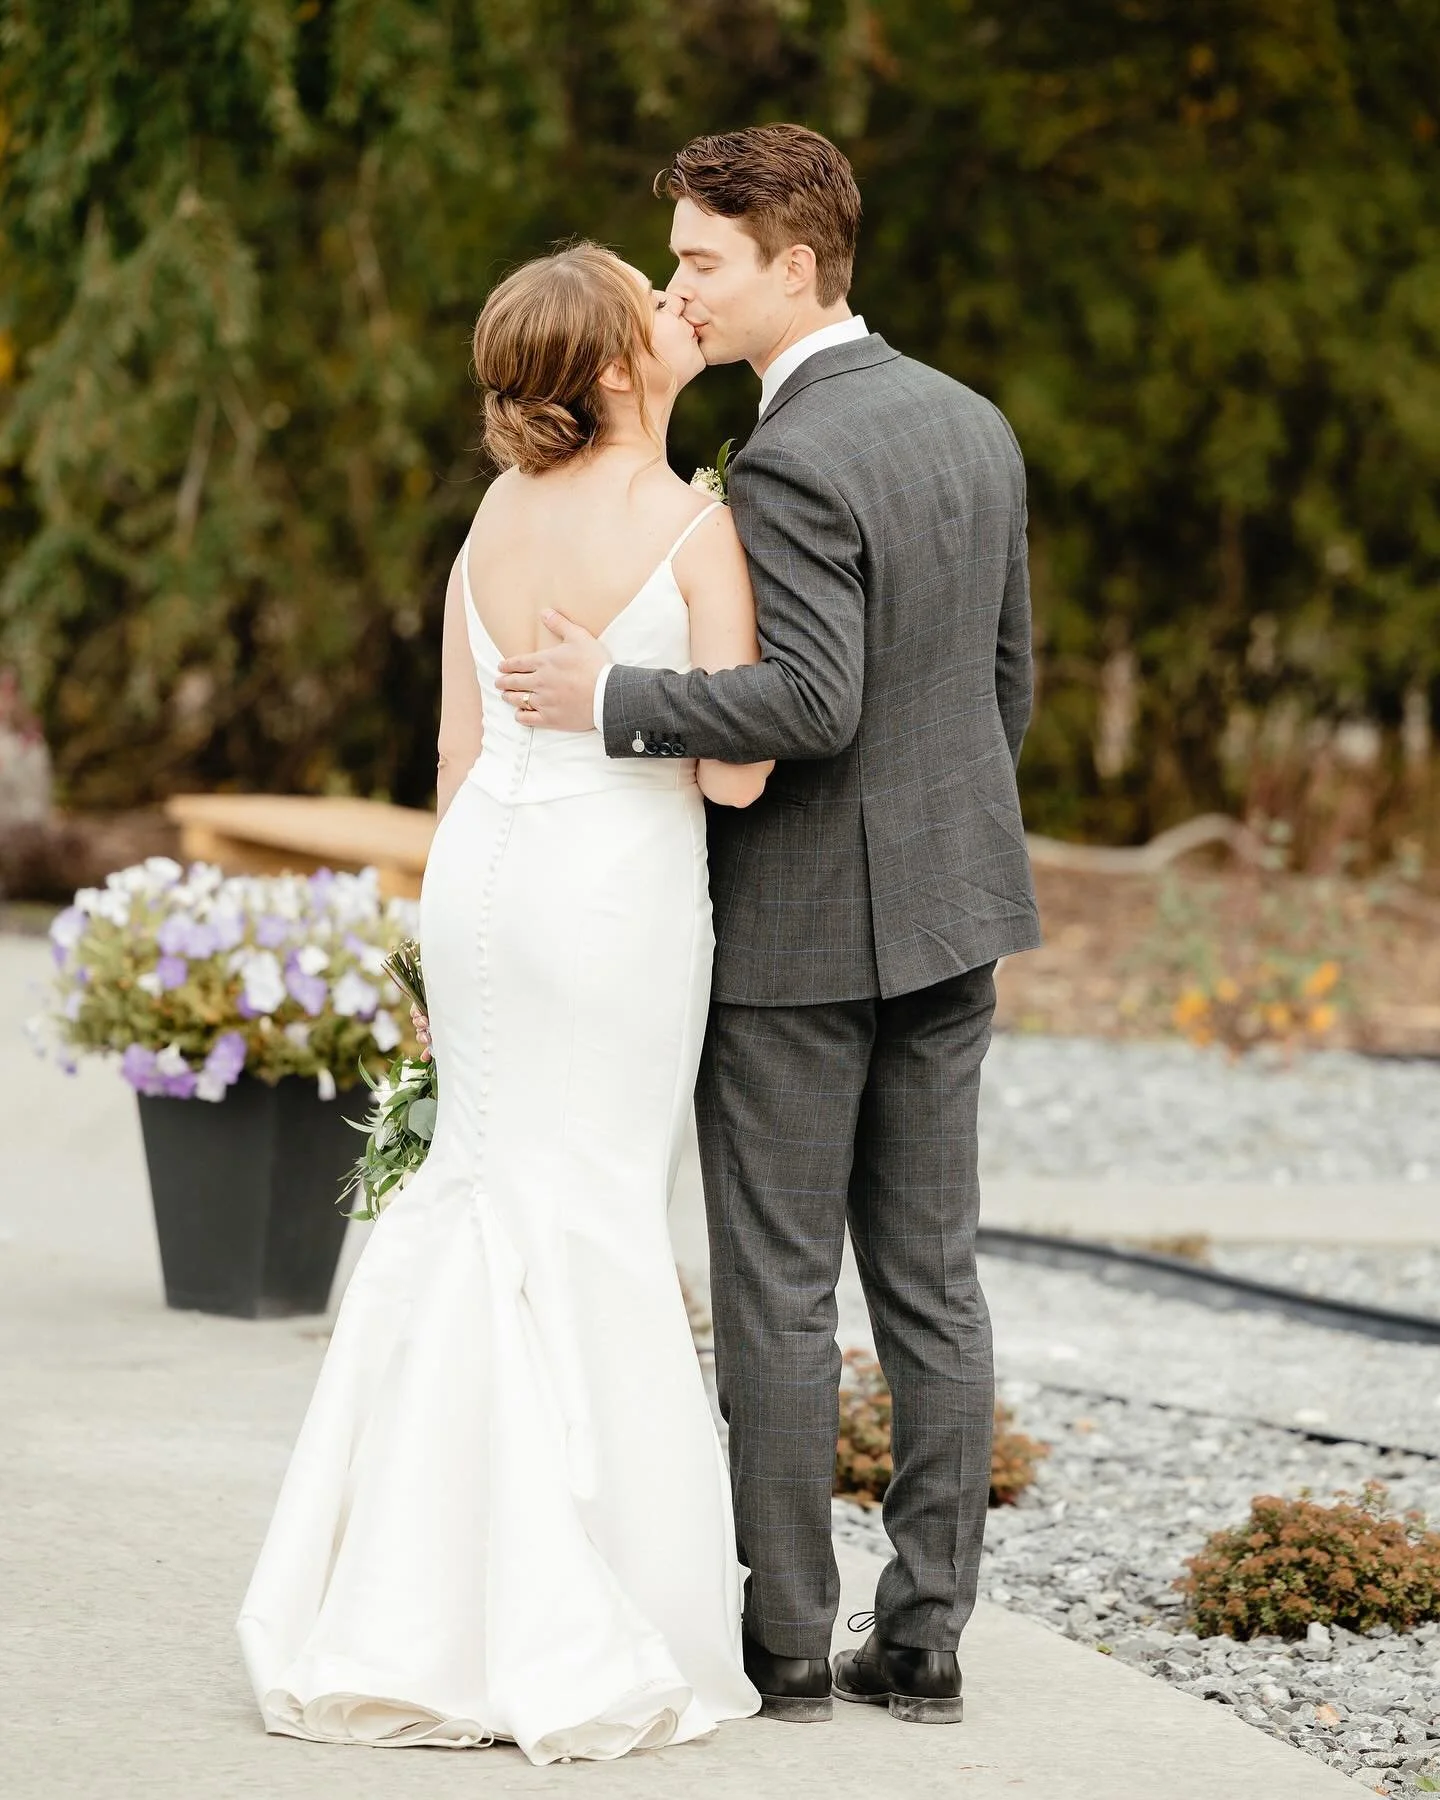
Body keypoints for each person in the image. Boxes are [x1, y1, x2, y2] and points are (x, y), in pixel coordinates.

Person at [495, 125, 1042, 1726]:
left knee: (783, 1292)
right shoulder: (971, 421)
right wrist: (944, 856)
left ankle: (790, 1642)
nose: (679, 290)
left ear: (794, 266)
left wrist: (612, 696)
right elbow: (1004, 685)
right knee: (933, 1284)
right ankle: (926, 1641)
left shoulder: (794, 456)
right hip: (952, 917)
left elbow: (813, 700)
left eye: (702, 262)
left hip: (802, 937)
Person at [237, 242, 769, 1762]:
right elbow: (737, 771)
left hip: (479, 884)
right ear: (611, 365)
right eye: (648, 300)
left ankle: (402, 1601)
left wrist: (447, 940)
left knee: (476, 1191)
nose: (674, 307)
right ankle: (585, 1609)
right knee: (590, 1208)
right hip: (608, 899)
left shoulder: (493, 516)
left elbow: (459, 758)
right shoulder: (692, 525)